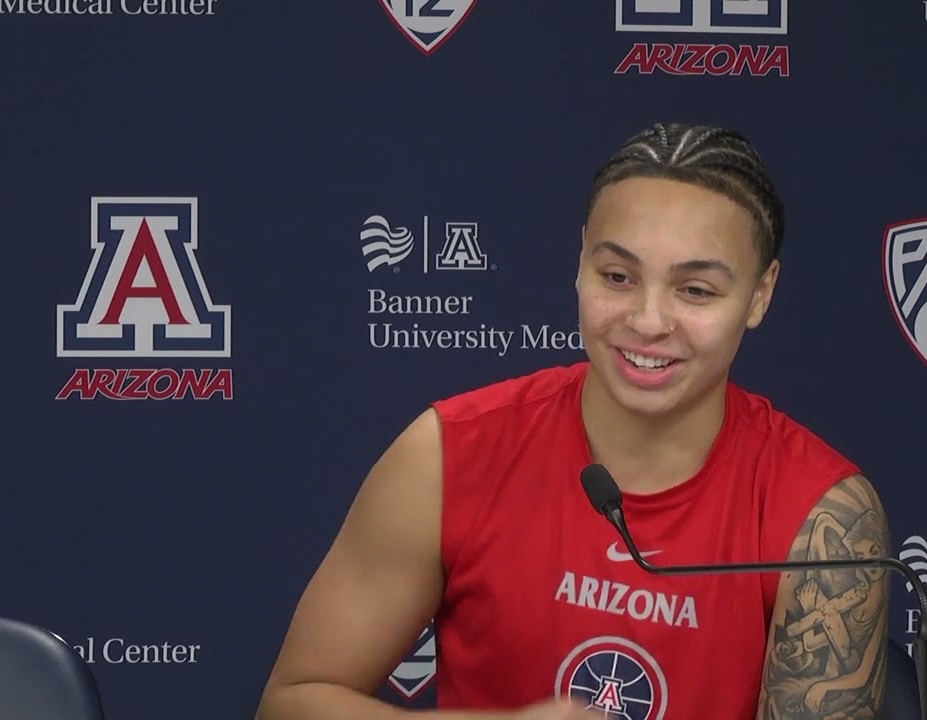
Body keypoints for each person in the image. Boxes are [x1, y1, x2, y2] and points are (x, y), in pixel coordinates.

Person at [255, 122, 891, 720]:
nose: (647, 321)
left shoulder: (825, 519)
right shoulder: (449, 452)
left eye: (695, 290)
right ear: (580, 263)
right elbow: (293, 703)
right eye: (617, 276)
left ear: (760, 295)